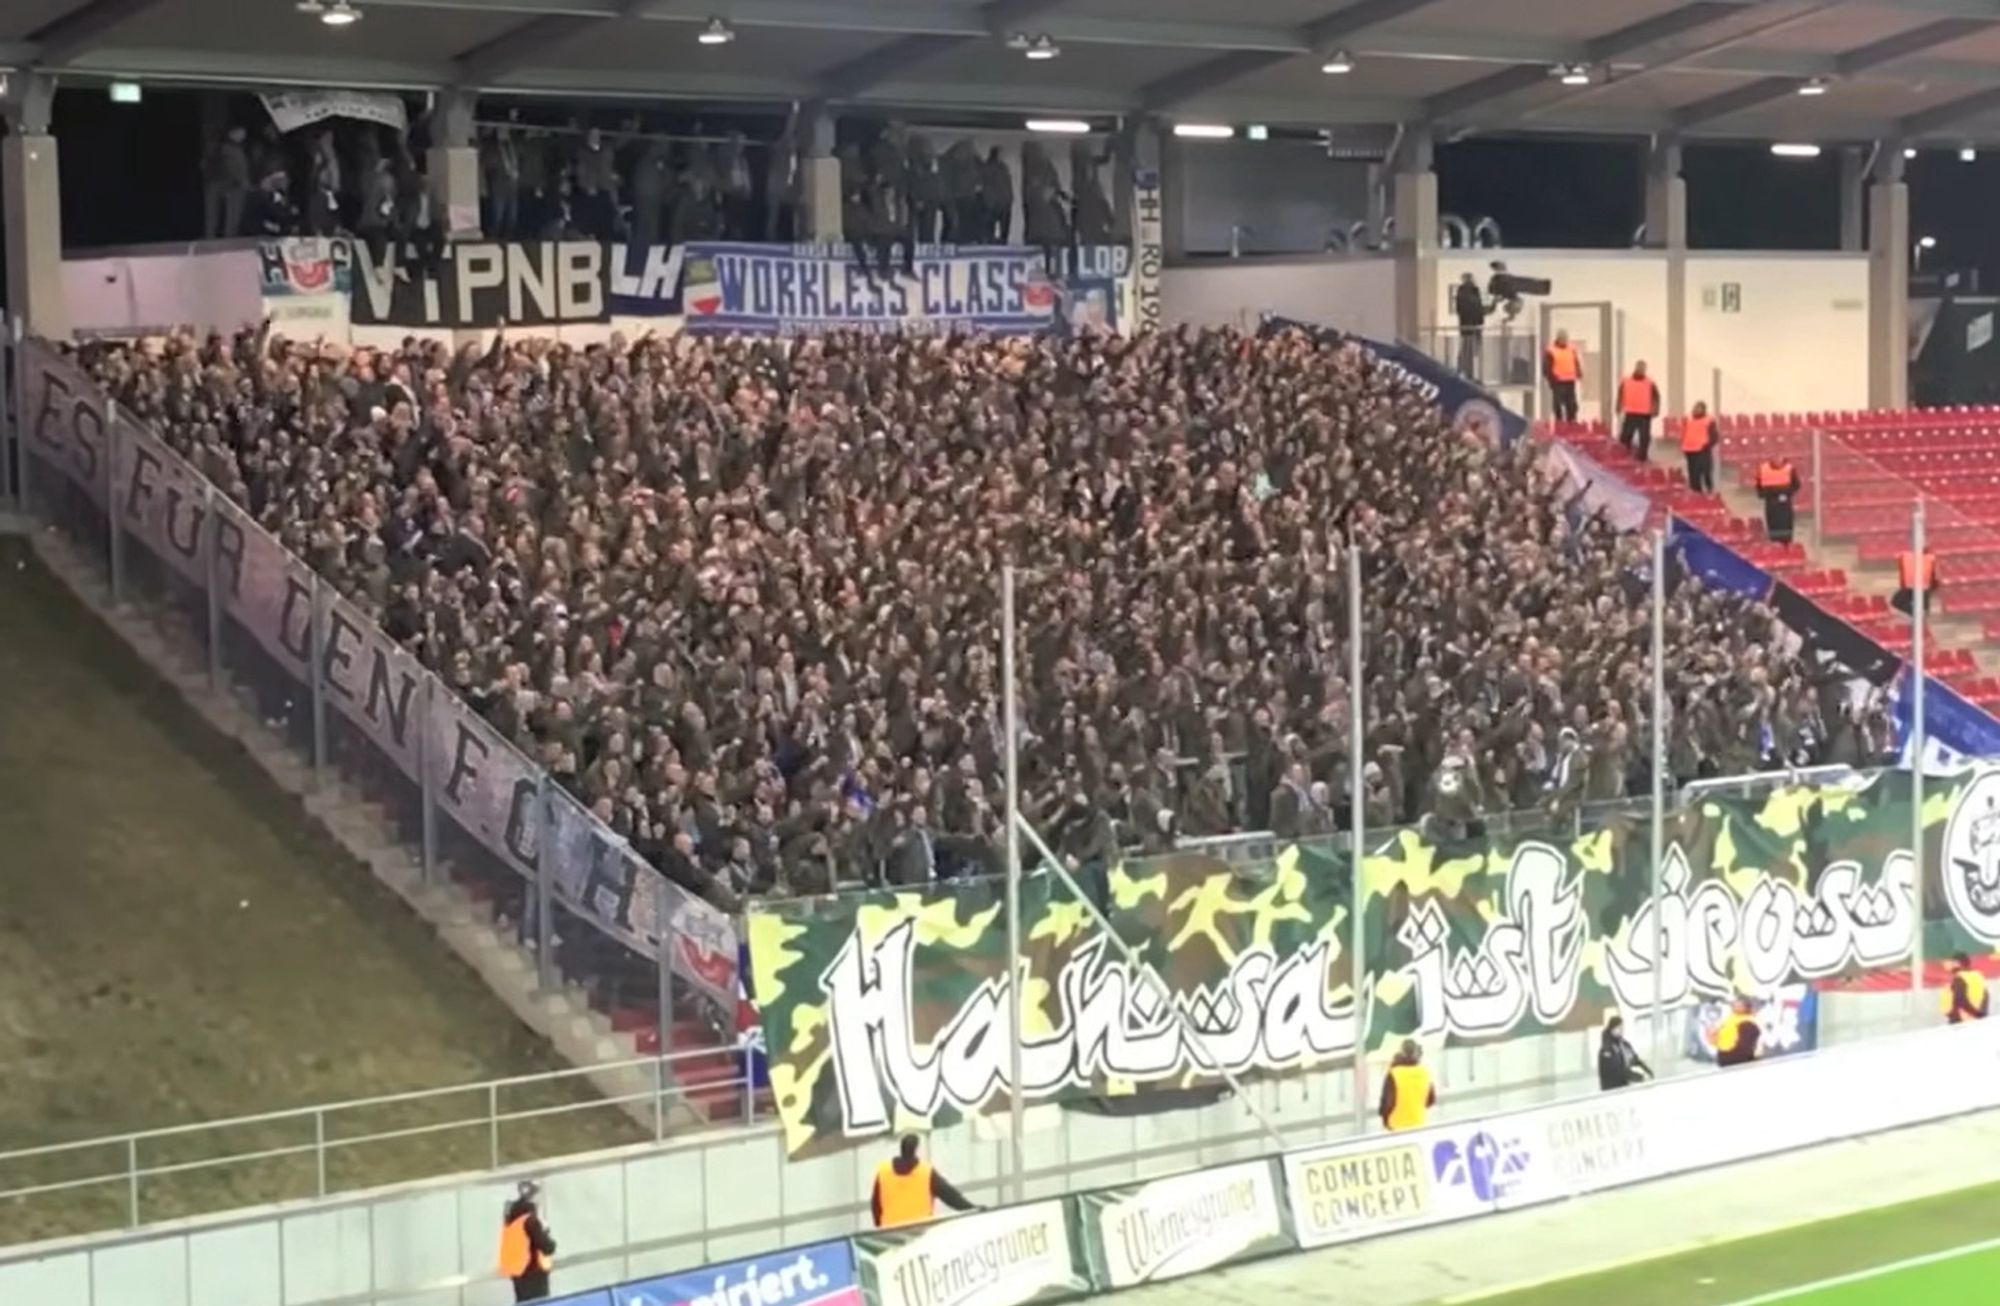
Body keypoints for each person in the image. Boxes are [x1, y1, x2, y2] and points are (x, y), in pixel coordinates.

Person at [871, 1134, 975, 1228]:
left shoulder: (883, 1172)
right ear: (916, 1150)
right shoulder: (926, 1173)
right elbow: (951, 1197)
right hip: (919, 1232)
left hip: (888, 1234)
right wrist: (973, 1209)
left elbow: (875, 1205)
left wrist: (879, 1226)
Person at [497, 1180, 557, 1302]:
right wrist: (545, 1233)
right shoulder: (530, 1221)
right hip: (533, 1275)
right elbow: (548, 1248)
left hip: (518, 1274)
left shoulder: (511, 1219)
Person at [1378, 1038, 1436, 1131]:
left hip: (1396, 1125)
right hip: (1418, 1123)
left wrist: (1384, 1118)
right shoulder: (1424, 1072)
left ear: (1401, 1053)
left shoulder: (1394, 1073)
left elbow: (1387, 1103)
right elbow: (1431, 1100)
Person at [1617, 361, 1660, 461]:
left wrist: (1655, 409)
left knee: (1644, 438)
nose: (1641, 370)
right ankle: (1623, 455)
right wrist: (1618, 406)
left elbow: (1656, 397)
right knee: (1626, 436)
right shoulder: (1626, 380)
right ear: (1636, 367)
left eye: (1643, 368)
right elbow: (1620, 394)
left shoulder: (1650, 382)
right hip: (1630, 412)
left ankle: (1642, 457)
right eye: (1640, 367)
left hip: (1645, 414)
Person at [1597, 1016, 1652, 1090]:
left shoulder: (1625, 1045)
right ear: (1612, 1029)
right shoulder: (1606, 1049)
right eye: (1619, 1028)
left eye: (1622, 1028)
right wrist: (1640, 1077)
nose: (1621, 1030)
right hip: (1611, 1090)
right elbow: (1618, 1071)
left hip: (1624, 1087)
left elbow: (1635, 1060)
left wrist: (1648, 1071)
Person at [1755, 455, 1801, 543]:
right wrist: (1775, 494)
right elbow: (1760, 490)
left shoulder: (1790, 469)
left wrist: (1785, 494)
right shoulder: (1763, 469)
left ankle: (1786, 548)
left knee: (1786, 532)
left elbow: (1796, 486)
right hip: (1772, 505)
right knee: (1774, 532)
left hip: (1785, 505)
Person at [1453, 272, 1487, 380]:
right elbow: (1478, 308)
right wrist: (1480, 321)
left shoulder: (1463, 291)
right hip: (1474, 325)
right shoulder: (1473, 290)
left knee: (1466, 348)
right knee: (1472, 349)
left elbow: (1460, 309)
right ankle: (1470, 372)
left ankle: (1464, 371)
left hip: (1466, 325)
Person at [1544, 329, 1582, 424]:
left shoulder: (1571, 348)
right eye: (1563, 339)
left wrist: (1579, 372)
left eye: (1566, 339)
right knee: (1558, 403)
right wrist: (1551, 379)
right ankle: (1559, 420)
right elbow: (1546, 367)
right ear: (1558, 339)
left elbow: (1575, 362)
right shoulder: (1551, 350)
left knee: (1571, 403)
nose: (1565, 341)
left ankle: (1572, 420)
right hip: (1558, 381)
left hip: (1570, 380)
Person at [1680, 401, 1718, 494]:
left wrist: (1707, 445)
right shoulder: (1687, 419)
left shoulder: (1709, 420)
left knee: (1706, 471)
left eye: (1699, 408)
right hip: (1689, 450)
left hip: (1703, 449)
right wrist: (1682, 445)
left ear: (1704, 410)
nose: (1696, 410)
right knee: (1693, 474)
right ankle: (1697, 492)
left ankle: (1709, 490)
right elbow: (1683, 433)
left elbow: (1714, 436)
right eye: (1695, 407)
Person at [1711, 997, 1761, 1068]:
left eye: (1739, 1005)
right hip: (1724, 1057)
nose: (1735, 1006)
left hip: (1735, 1060)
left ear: (1746, 1007)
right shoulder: (1730, 1018)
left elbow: (1744, 1048)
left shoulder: (1747, 1022)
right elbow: (1719, 1036)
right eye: (1734, 1004)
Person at [1943, 952, 1989, 1024]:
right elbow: (1985, 995)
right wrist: (1981, 1014)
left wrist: (1976, 1014)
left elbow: (1959, 999)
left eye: (1951, 963)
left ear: (1957, 963)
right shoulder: (1977, 976)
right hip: (1976, 1020)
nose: (1948, 966)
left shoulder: (1960, 978)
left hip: (1961, 1021)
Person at [1894, 546, 1939, 616]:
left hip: (1921, 585)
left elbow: (1934, 576)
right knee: (1897, 601)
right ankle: (1917, 613)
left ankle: (1919, 613)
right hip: (1913, 585)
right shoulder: (1907, 556)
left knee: (1898, 601)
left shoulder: (1930, 557)